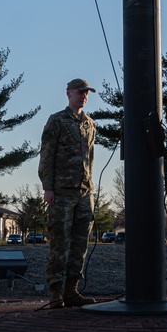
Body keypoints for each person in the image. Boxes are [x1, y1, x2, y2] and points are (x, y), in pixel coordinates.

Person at [38, 78, 98, 308]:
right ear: (68, 94)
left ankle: (71, 290)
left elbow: (89, 159)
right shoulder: (57, 121)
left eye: (86, 93)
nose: (83, 96)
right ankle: (55, 292)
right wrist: (48, 188)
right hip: (61, 191)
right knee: (59, 242)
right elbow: (47, 155)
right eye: (79, 92)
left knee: (80, 243)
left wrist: (90, 185)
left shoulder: (89, 124)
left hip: (84, 192)